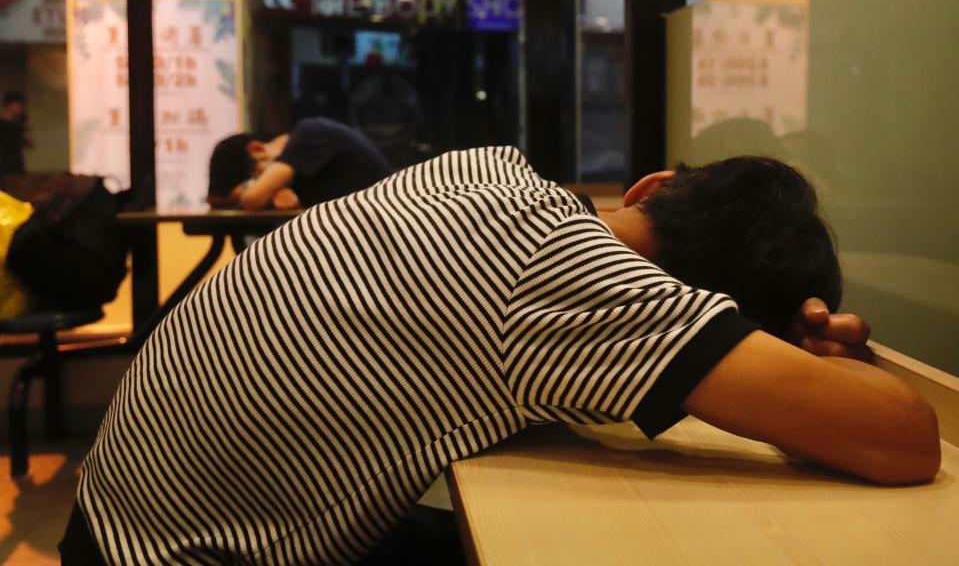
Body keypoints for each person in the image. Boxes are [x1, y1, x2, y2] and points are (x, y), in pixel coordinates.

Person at [60, 147, 939, 565]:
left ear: (648, 189)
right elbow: (904, 440)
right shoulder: (583, 285)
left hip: (113, 513)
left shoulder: (489, 174)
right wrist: (821, 368)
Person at [207, 117, 393, 210]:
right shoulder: (299, 168)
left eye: (253, 179)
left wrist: (256, 192)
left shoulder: (310, 132)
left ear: (257, 150)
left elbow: (253, 199)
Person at [0, 91, 30, 181]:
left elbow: (28, 143)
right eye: (20, 106)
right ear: (10, 105)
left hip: (16, 164)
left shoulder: (20, 123)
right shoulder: (2, 124)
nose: (21, 109)